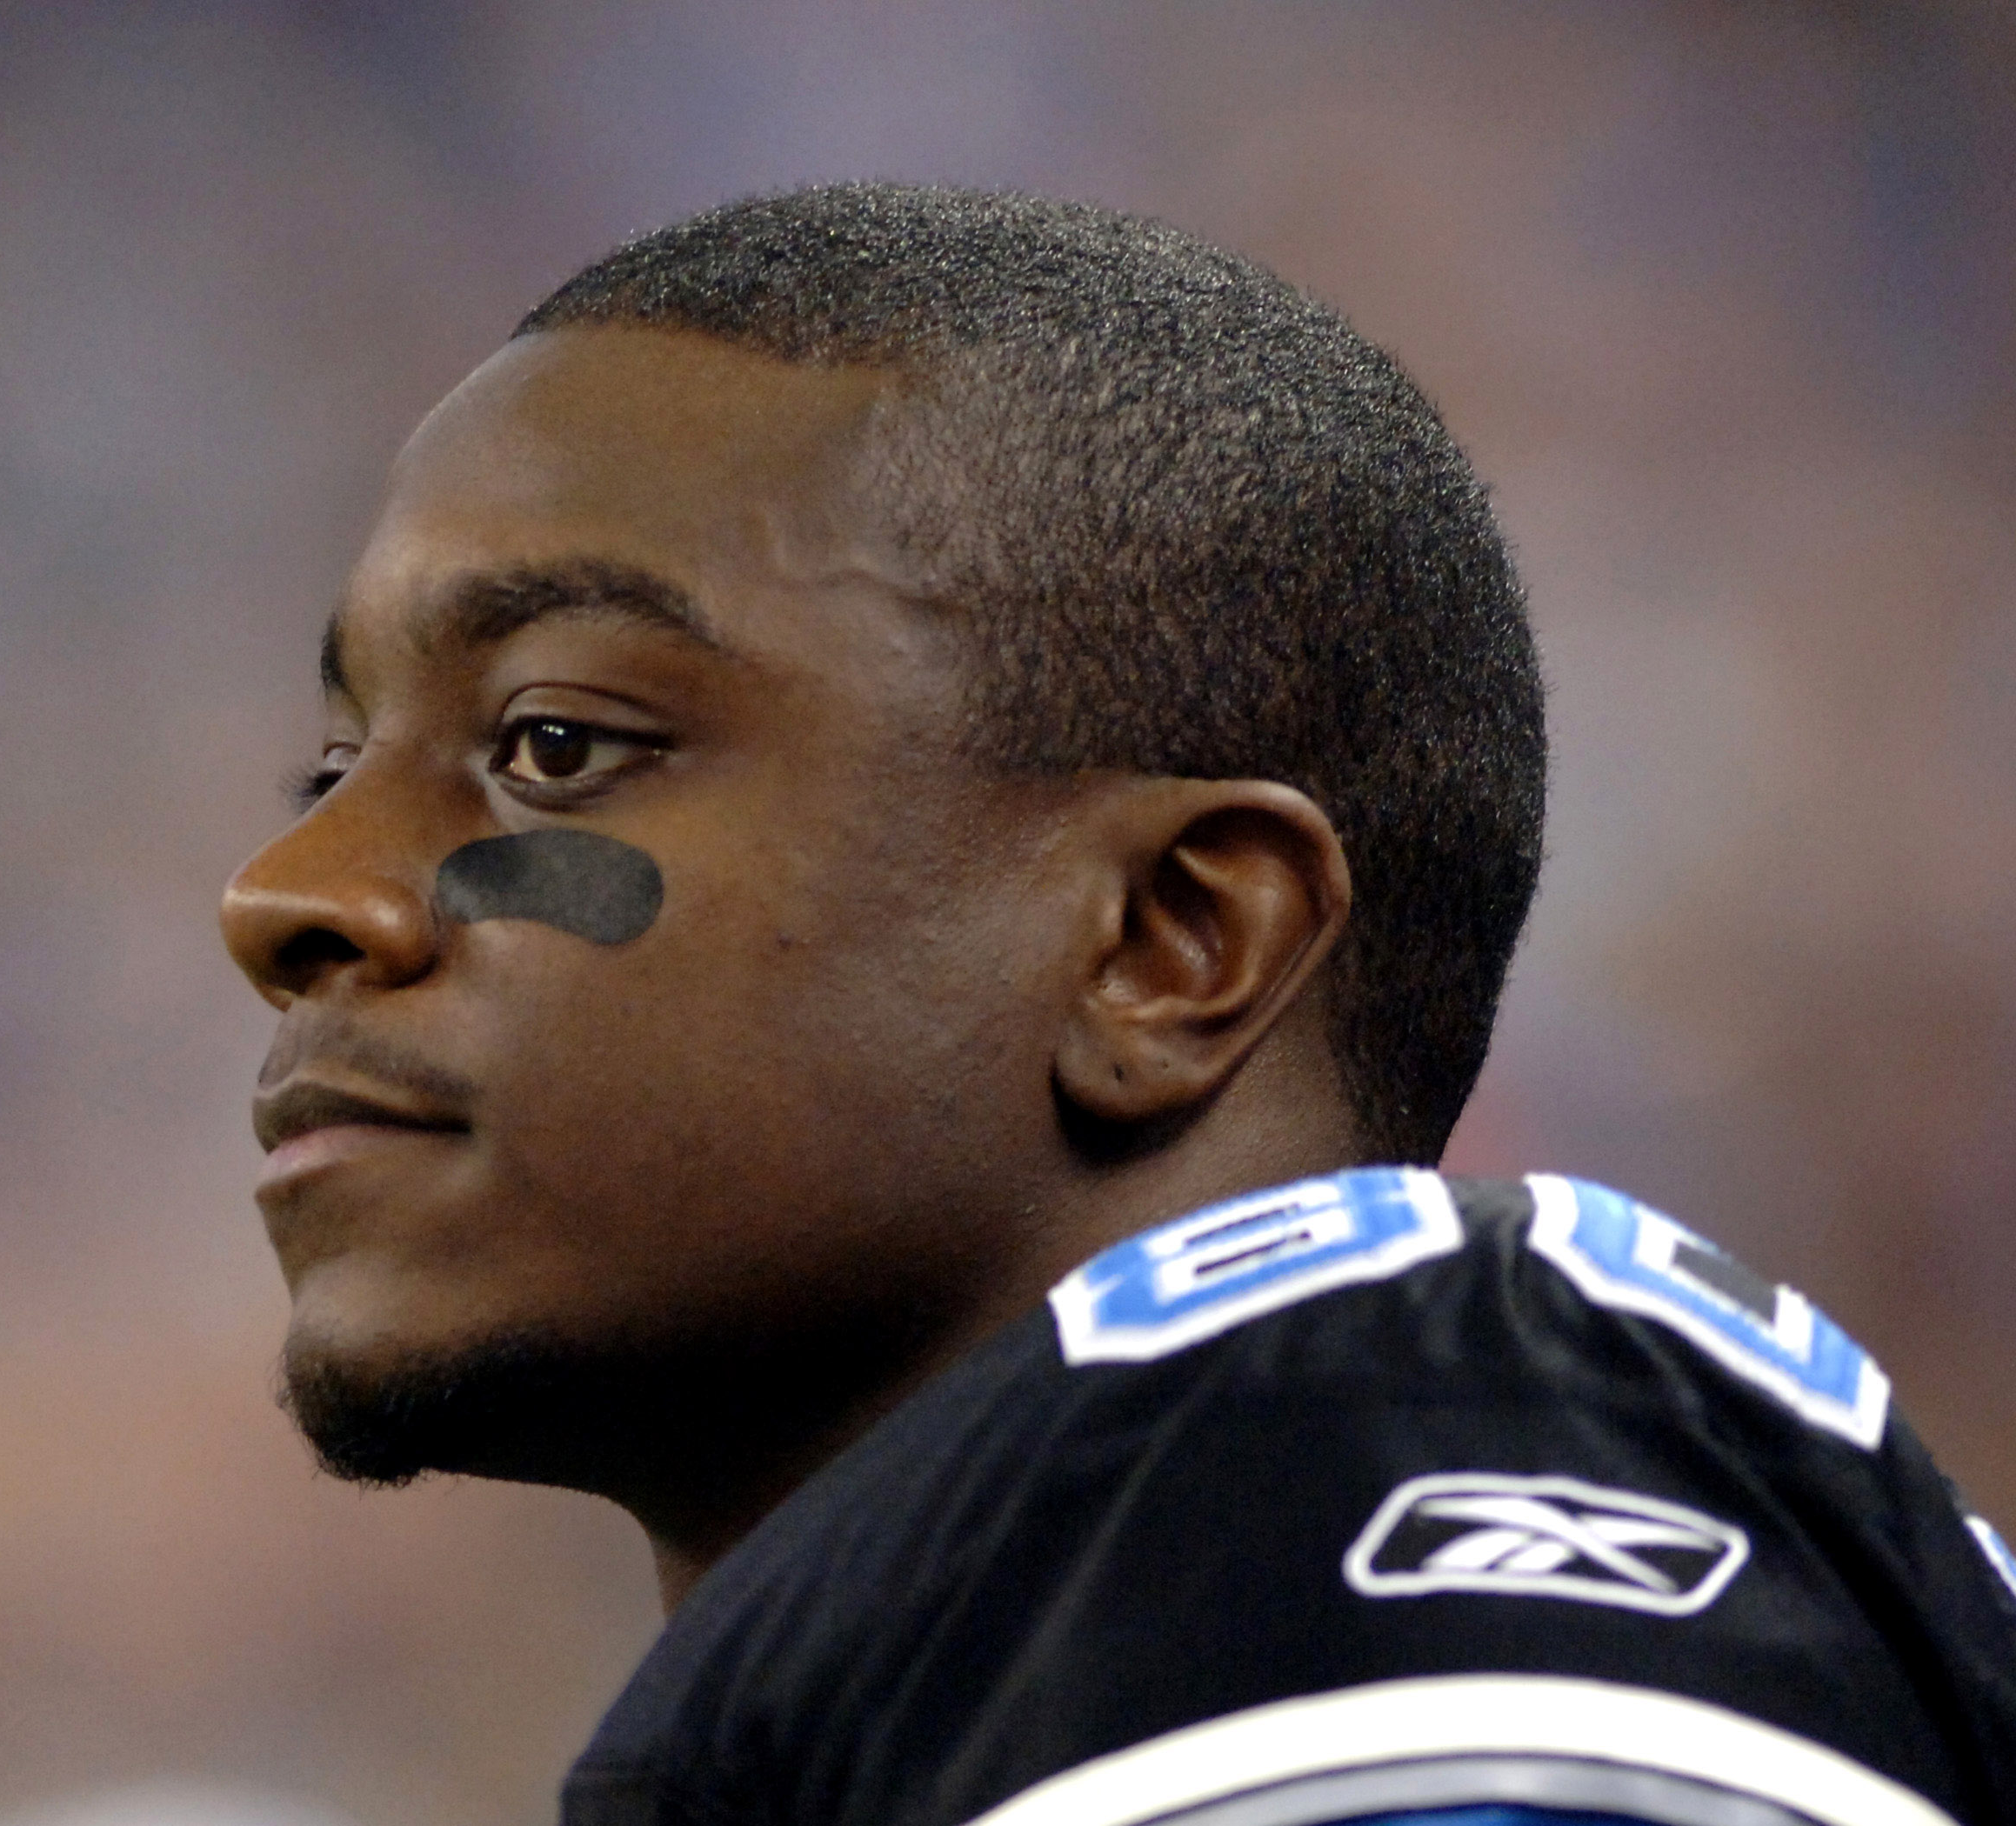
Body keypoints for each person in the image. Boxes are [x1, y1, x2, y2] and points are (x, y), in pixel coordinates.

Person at [218, 184, 2016, 1826]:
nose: (289, 894)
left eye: (554, 744)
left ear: (1171, 942)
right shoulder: (1001, 1658)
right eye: (332, 766)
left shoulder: (1397, 1571)